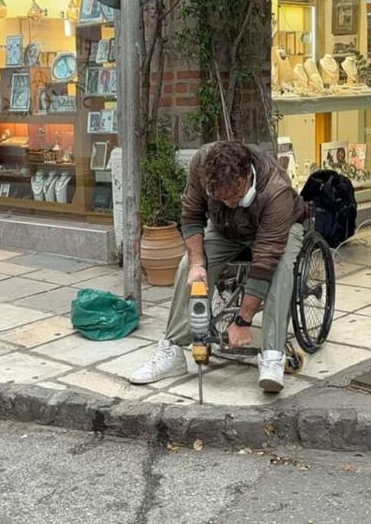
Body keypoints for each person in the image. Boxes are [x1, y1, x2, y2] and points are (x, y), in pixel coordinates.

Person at [129, 142, 307, 392]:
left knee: (280, 271)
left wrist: (243, 321)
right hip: (226, 230)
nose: (231, 203)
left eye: (236, 196)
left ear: (247, 175)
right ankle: (173, 349)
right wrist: (197, 264)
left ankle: (271, 354)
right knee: (186, 267)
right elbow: (192, 215)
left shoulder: (276, 190)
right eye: (222, 199)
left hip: (278, 230)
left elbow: (265, 259)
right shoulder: (201, 165)